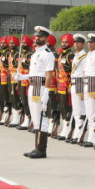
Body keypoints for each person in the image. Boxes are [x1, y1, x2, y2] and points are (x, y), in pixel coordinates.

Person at [20, 26, 56, 159]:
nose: (37, 38)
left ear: (46, 38)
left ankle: (41, 150)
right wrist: (22, 77)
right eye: (36, 36)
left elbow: (48, 75)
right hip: (32, 86)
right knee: (35, 118)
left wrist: (46, 93)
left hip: (41, 88)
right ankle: (36, 147)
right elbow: (33, 73)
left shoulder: (48, 54)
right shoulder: (35, 53)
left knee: (42, 119)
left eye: (40, 36)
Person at [81, 34, 95, 148]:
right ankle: (90, 136)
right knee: (88, 112)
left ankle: (93, 138)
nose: (89, 44)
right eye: (89, 42)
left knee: (93, 112)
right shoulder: (88, 55)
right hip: (86, 83)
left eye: (92, 42)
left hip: (93, 84)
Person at [67, 34, 88, 143]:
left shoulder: (84, 56)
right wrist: (70, 85)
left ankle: (80, 134)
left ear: (83, 44)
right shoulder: (75, 56)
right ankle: (76, 133)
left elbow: (85, 73)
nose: (76, 44)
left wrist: (84, 89)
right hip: (75, 83)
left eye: (78, 42)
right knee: (75, 110)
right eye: (75, 42)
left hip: (80, 83)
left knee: (81, 110)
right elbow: (73, 73)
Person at [56, 34, 75, 140]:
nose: (63, 44)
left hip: (67, 85)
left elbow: (73, 71)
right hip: (60, 85)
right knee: (62, 106)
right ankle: (64, 127)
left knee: (67, 107)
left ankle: (68, 128)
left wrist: (71, 85)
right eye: (62, 42)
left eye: (66, 42)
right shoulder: (61, 55)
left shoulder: (71, 55)